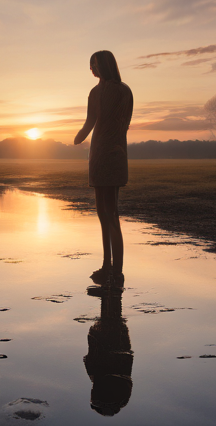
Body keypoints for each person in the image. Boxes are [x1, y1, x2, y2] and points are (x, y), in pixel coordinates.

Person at [74, 51, 133, 286]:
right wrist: (80, 136)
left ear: (106, 65)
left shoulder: (122, 91)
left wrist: (113, 142)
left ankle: (117, 271)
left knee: (112, 214)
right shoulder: (95, 92)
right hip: (97, 154)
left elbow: (124, 122)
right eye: (90, 65)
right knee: (101, 213)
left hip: (113, 153)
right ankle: (106, 265)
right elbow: (90, 120)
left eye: (95, 64)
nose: (92, 69)